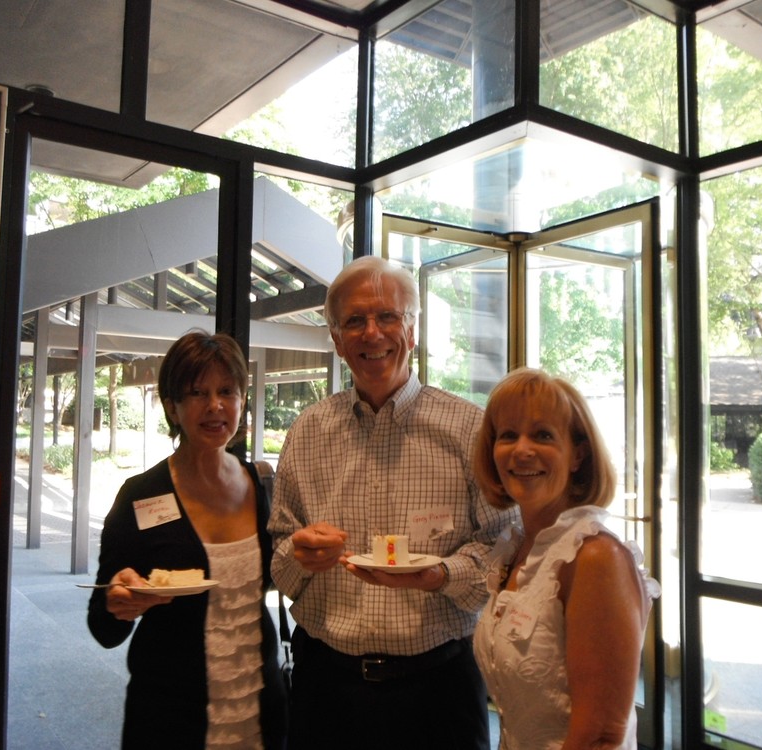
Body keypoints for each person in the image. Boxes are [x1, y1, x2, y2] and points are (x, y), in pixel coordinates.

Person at [268, 255, 519, 749]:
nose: (372, 333)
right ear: (336, 339)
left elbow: (504, 549)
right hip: (326, 688)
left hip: (438, 692)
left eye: (388, 316)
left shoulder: (469, 429)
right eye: (354, 321)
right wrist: (299, 555)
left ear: (413, 330)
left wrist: (441, 575)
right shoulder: (307, 432)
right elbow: (280, 554)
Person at [87, 330, 287, 750]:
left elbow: (270, 579)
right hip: (170, 720)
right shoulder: (141, 495)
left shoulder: (259, 482)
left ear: (242, 400)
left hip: (258, 712)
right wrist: (118, 602)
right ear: (172, 407)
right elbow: (103, 627)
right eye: (197, 392)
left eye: (227, 391)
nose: (215, 405)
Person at [471, 368, 660, 750]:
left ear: (578, 455)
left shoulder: (595, 558)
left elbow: (601, 736)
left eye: (542, 435)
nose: (522, 450)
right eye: (508, 435)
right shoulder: (518, 551)